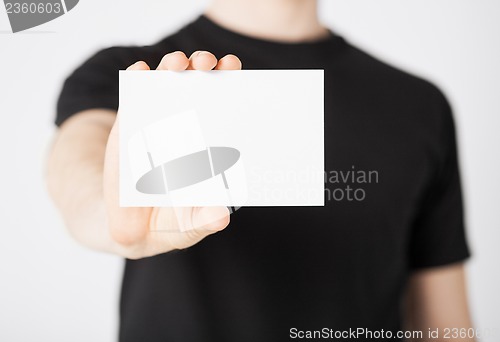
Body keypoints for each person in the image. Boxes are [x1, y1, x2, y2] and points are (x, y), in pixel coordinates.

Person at [47, 0, 475, 341]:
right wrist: (111, 213)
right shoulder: (130, 75)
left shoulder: (418, 106)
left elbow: (444, 325)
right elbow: (80, 158)